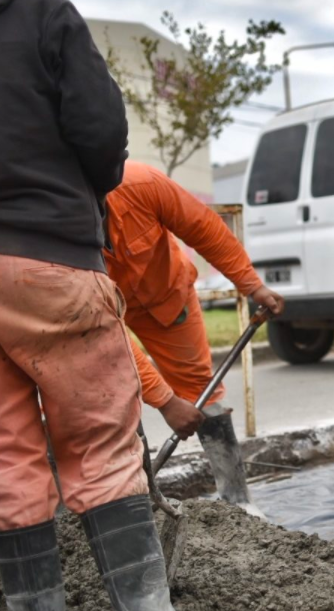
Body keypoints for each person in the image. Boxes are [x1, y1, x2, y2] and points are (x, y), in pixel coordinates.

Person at [0, 0, 175, 609]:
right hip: (49, 254)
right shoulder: (42, 13)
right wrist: (84, 192)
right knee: (99, 450)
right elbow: (101, 128)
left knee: (8, 466)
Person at [104, 161, 283, 440]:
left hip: (167, 296)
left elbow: (203, 228)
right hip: (100, 310)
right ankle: (136, 481)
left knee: (202, 392)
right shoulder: (57, 218)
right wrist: (166, 403)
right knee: (112, 393)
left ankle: (232, 484)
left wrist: (252, 285)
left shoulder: (142, 183)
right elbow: (104, 334)